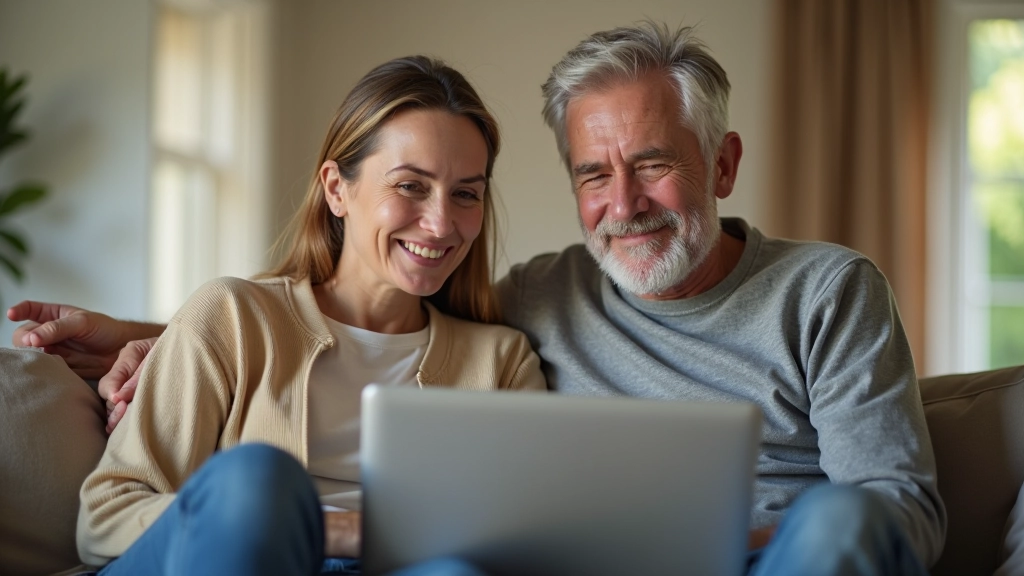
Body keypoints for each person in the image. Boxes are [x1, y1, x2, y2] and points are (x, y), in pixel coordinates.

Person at [10, 22, 945, 576]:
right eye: (594, 174)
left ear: (724, 164)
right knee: (266, 487)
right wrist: (158, 338)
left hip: (769, 557)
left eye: (655, 165)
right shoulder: (547, 298)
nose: (623, 206)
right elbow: (310, 314)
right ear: (337, 187)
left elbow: (899, 507)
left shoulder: (824, 292)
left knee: (844, 521)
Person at [34, 55, 545, 576]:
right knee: (258, 478)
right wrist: (328, 529)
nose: (440, 224)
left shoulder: (502, 362)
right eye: (410, 185)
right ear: (336, 188)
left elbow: (533, 534)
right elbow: (104, 520)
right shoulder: (232, 315)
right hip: (232, 558)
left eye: (465, 194)